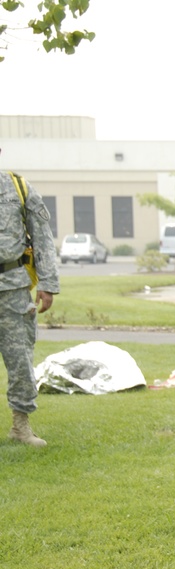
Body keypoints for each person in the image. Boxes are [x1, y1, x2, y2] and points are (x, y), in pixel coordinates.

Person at [0, 153, 59, 447]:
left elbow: (42, 237)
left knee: (20, 359)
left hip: (12, 288)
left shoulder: (18, 187)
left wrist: (47, 284)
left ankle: (20, 427)